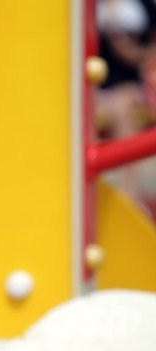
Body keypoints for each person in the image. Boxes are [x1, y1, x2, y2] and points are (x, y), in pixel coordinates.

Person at [95, 0, 156, 201]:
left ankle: (130, 192)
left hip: (131, 86)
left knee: (122, 105)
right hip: (97, 89)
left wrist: (130, 50)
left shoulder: (142, 7)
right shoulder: (90, 8)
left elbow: (149, 53)